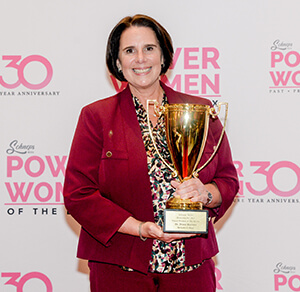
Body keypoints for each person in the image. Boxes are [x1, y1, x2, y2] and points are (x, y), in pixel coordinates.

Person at [63, 14, 239, 292]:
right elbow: (78, 194)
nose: (141, 59)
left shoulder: (200, 110)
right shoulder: (96, 116)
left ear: (164, 56)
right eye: (129, 51)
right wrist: (140, 228)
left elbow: (227, 180)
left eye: (149, 48)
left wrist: (204, 193)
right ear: (118, 62)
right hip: (120, 268)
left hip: (190, 267)